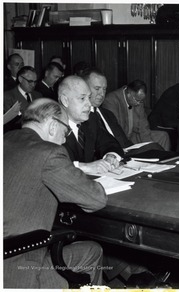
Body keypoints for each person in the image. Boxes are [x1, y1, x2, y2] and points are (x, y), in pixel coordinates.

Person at [3, 98, 107, 288]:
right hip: (17, 269)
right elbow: (96, 199)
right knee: (92, 251)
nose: (65, 139)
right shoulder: (49, 152)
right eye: (65, 131)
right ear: (52, 126)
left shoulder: (5, 139)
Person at [80, 68, 165, 154]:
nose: (102, 94)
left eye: (104, 89)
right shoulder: (83, 116)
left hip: (125, 150)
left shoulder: (107, 114)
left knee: (156, 146)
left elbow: (125, 139)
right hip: (110, 156)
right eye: (97, 88)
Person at [59, 75, 124, 174]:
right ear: (65, 100)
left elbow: (110, 143)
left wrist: (110, 157)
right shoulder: (52, 127)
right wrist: (84, 167)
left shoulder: (91, 120)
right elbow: (52, 165)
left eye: (89, 97)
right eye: (82, 98)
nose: (89, 104)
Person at [103, 79, 171, 151]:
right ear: (128, 94)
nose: (139, 103)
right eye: (137, 100)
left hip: (133, 136)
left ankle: (160, 160)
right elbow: (115, 132)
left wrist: (150, 145)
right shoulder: (111, 100)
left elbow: (143, 126)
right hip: (120, 141)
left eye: (141, 101)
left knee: (163, 136)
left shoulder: (138, 99)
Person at [4, 66, 42, 131]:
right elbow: (9, 124)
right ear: (20, 79)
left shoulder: (38, 95)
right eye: (30, 81)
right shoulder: (7, 96)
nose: (33, 85)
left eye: (35, 82)